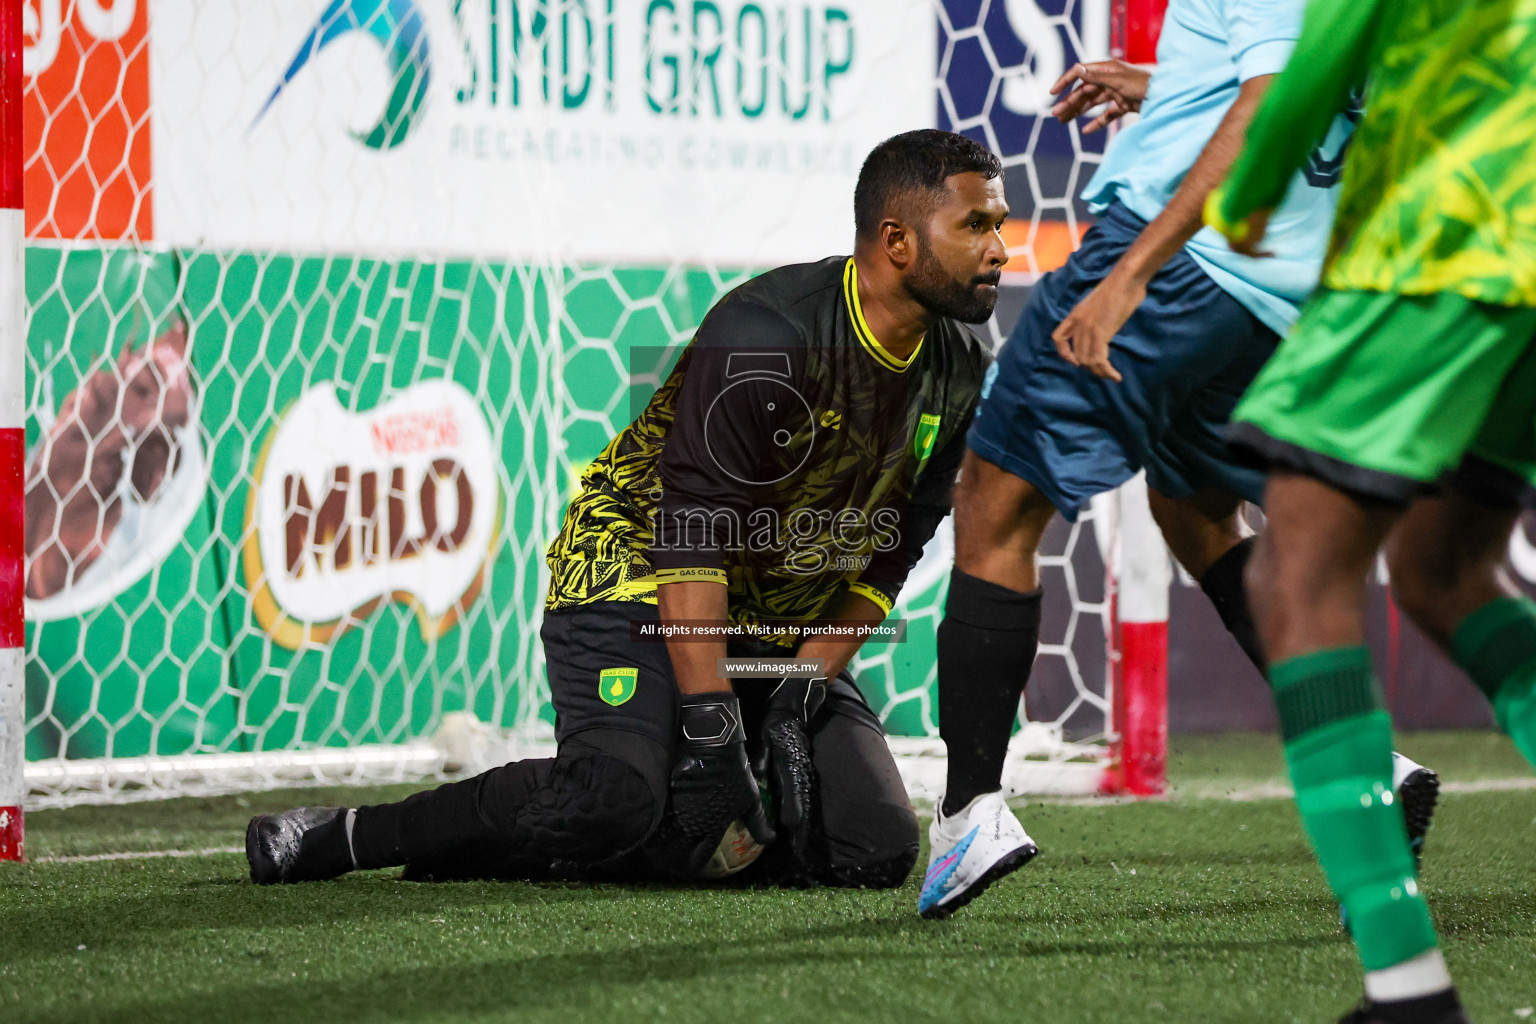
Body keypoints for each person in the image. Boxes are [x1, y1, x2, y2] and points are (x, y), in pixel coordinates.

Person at [245, 129, 1007, 891]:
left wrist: (806, 680)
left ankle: (658, 832)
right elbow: (690, 539)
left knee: (868, 851)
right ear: (897, 240)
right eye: (977, 225)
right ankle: (346, 835)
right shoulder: (768, 334)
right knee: (615, 795)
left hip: (772, 622)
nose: (1000, 247)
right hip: (635, 580)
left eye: (999, 223)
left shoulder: (960, 368)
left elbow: (890, 554)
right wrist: (712, 722)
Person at [918, 1, 1436, 921]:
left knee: (994, 502)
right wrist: (1167, 88)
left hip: (1180, 259)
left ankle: (968, 816)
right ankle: (1364, 763)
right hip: (1271, 296)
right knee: (1195, 512)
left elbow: (1275, 101)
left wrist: (1131, 274)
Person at [1207, 1, 1536, 1020]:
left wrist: (1248, 195)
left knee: (1296, 572)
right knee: (1444, 567)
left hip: (1449, 239)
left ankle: (1404, 985)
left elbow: (1327, 47)